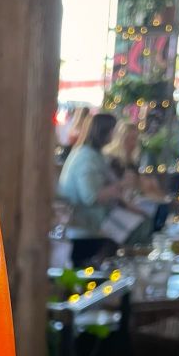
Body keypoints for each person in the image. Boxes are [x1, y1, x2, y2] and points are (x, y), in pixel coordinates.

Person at [57, 112, 127, 266]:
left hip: (92, 230)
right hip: (83, 233)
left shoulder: (93, 155)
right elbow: (90, 196)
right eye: (114, 130)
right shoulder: (86, 157)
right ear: (106, 131)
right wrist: (116, 188)